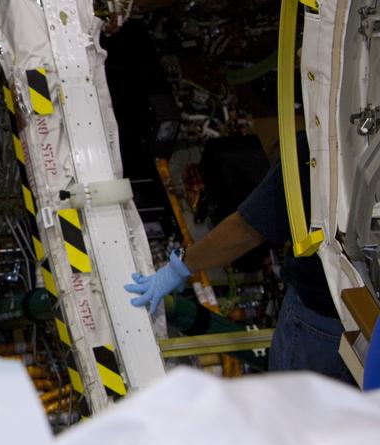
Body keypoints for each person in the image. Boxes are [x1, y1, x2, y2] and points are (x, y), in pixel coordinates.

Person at [126, 133, 353, 382]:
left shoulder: (323, 148)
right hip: (363, 320)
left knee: (291, 397)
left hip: (321, 321)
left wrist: (178, 268)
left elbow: (245, 231)